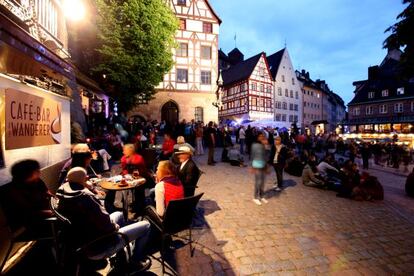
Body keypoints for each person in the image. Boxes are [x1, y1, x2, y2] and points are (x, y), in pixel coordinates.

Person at [56, 167, 151, 272]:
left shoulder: (64, 191)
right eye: (86, 176)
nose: (88, 177)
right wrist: (115, 227)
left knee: (118, 214)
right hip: (99, 245)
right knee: (146, 225)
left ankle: (121, 256)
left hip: (84, 239)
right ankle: (133, 262)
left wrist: (87, 185)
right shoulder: (85, 197)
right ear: (84, 179)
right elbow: (107, 225)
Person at [0, 160, 53, 238]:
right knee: (65, 223)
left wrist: (55, 198)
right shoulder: (14, 190)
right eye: (36, 170)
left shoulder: (37, 181)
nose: (39, 172)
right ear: (26, 173)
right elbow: (29, 213)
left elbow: (47, 192)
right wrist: (52, 212)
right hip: (28, 225)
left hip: (42, 216)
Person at [251, 133, 269, 206]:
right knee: (258, 182)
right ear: (257, 137)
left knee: (263, 182)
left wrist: (266, 146)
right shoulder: (255, 145)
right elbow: (253, 155)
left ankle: (261, 196)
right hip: (256, 165)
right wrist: (252, 166)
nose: (262, 137)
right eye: (260, 136)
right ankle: (255, 197)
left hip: (264, 164)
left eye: (263, 136)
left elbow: (267, 155)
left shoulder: (264, 144)